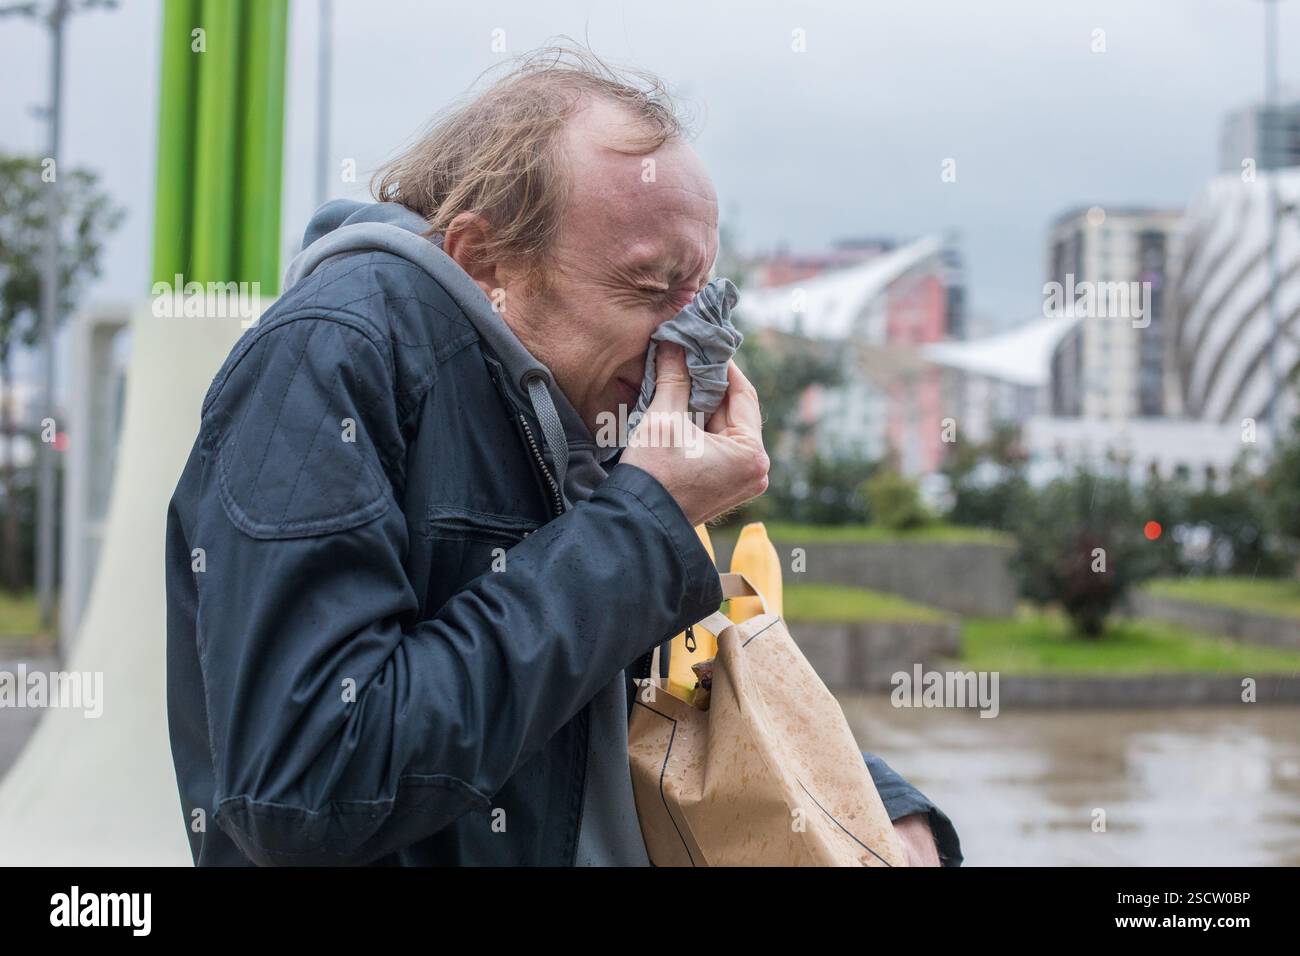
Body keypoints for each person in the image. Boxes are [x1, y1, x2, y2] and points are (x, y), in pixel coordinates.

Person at [164, 46, 962, 867]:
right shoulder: (329, 358)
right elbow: (307, 782)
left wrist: (886, 809)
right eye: (650, 289)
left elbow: (663, 696)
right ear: (487, 263)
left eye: (703, 299)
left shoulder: (575, 410)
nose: (686, 344)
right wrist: (640, 526)